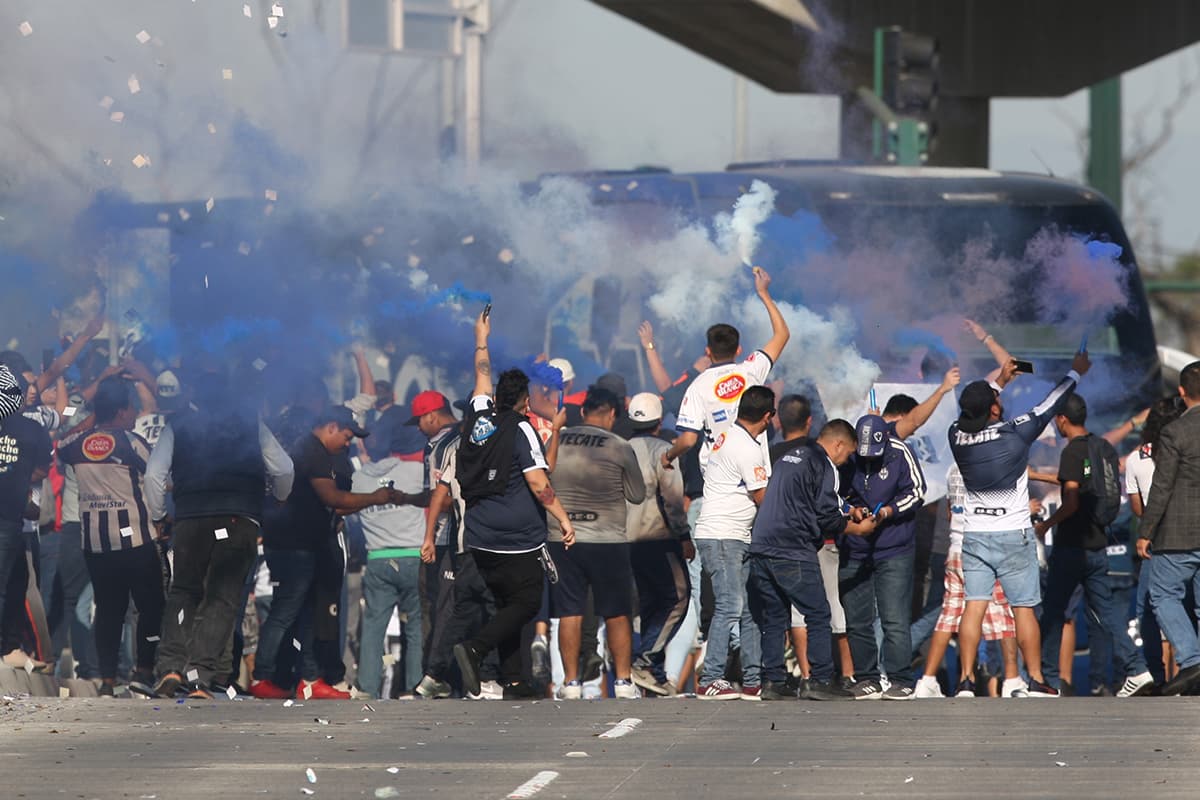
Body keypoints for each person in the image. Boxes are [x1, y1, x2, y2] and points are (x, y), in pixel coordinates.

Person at [948, 348, 1090, 698]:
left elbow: (976, 410)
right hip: (1014, 534)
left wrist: (1000, 381)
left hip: (975, 535)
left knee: (974, 606)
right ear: (994, 409)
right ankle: (1036, 679)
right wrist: (1075, 372)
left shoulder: (956, 436)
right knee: (1023, 609)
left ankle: (965, 680)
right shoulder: (1014, 434)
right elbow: (1050, 404)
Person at [146, 368, 295, 699]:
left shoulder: (178, 424)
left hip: (190, 520)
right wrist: (280, 498)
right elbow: (284, 468)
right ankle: (199, 678)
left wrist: (159, 516)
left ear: (195, 397)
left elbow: (153, 475)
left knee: (183, 592)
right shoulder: (251, 424)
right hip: (238, 519)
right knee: (221, 599)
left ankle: (171, 667)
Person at [452, 309, 576, 701]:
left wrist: (481, 337)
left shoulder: (478, 415)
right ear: (524, 401)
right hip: (516, 538)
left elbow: (481, 373)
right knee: (525, 602)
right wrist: (563, 519)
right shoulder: (522, 427)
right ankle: (476, 649)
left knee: (506, 603)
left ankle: (514, 679)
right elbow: (539, 483)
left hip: (479, 534)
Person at [250, 406, 406, 700]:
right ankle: (262, 675)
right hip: (293, 545)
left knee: (309, 613)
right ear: (331, 427)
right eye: (346, 437)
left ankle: (309, 678)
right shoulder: (311, 451)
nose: (347, 444)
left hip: (306, 544)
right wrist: (376, 497)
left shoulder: (317, 451)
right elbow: (331, 497)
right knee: (285, 610)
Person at [1033, 392, 1155, 697]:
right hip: (1098, 544)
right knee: (1108, 613)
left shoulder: (1073, 452)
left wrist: (1047, 525)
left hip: (1072, 546)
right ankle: (1137, 668)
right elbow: (1086, 482)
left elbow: (1072, 500)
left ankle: (1047, 679)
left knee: (1053, 611)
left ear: (1062, 419)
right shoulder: (1103, 448)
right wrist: (1037, 475)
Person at [747, 419, 877, 701]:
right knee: (818, 613)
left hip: (761, 546)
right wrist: (858, 528)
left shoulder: (791, 457)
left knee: (775, 617)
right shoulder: (825, 464)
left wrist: (850, 509)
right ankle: (820, 680)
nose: (846, 461)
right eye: (848, 454)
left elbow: (813, 496)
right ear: (839, 444)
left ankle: (773, 682)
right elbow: (826, 516)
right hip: (792, 547)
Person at [57, 377, 164, 696]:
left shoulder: (76, 444)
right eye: (130, 408)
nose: (133, 414)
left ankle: (106, 679)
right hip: (137, 540)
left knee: (108, 609)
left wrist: (96, 416)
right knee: (151, 606)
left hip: (96, 544)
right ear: (120, 411)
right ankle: (144, 670)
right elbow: (157, 477)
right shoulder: (132, 443)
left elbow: (61, 444)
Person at [546, 386, 646, 699]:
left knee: (570, 611)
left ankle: (571, 683)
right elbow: (637, 494)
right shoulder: (619, 445)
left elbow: (542, 480)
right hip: (608, 539)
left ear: (583, 411)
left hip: (563, 537)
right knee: (616, 611)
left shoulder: (557, 440)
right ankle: (624, 682)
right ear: (612, 414)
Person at [692, 385, 776, 700]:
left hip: (735, 535)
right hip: (723, 536)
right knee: (729, 605)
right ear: (767, 417)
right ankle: (710, 678)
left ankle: (753, 680)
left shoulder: (726, 435)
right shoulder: (747, 448)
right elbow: (762, 497)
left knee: (750, 609)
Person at [662, 267, 790, 472]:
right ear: (738, 350)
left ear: (707, 351)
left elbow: (688, 440)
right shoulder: (751, 370)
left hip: (717, 478)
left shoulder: (697, 386)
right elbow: (782, 334)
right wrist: (763, 293)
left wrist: (668, 456)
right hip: (753, 475)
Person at [913, 464, 1022, 699]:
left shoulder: (953, 469)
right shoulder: (989, 466)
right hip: (984, 548)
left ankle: (933, 680)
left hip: (956, 548)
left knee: (949, 616)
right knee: (1002, 616)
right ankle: (1012, 679)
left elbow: (950, 511)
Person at [836, 414, 926, 699]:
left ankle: (901, 679)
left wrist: (889, 511)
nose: (868, 459)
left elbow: (917, 492)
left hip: (894, 548)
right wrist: (852, 511)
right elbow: (834, 494)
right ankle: (867, 678)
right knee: (856, 618)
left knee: (894, 618)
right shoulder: (848, 456)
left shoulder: (900, 452)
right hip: (854, 548)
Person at [1137, 361, 1200, 696]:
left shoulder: (1175, 431)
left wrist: (1146, 531)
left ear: (1182, 391)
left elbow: (1162, 486)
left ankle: (1192, 660)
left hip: (1178, 532)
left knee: (1163, 594)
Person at [350, 427, 427, 699]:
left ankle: (367, 687)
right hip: (413, 558)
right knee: (415, 625)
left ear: (366, 449)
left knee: (373, 627)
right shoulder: (416, 471)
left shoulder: (358, 479)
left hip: (378, 559)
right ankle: (414, 686)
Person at [625, 392, 693, 696]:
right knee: (679, 597)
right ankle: (645, 660)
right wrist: (684, 536)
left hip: (626, 540)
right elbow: (672, 499)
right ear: (658, 420)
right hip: (658, 538)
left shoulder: (620, 449)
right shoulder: (664, 451)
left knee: (651, 603)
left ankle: (655, 673)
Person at [1125, 396, 1185, 687]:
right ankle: (1190, 670)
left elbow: (1138, 509)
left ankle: (1154, 674)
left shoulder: (1136, 459)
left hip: (1154, 542)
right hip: (1189, 537)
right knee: (1189, 606)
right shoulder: (1189, 451)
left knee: (1148, 610)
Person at [0, 370, 51, 667]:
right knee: (8, 583)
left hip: (13, 518)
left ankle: (9, 647)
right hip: (10, 516)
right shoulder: (32, 430)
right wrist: (18, 479)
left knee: (16, 580)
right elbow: (42, 468)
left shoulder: (31, 428)